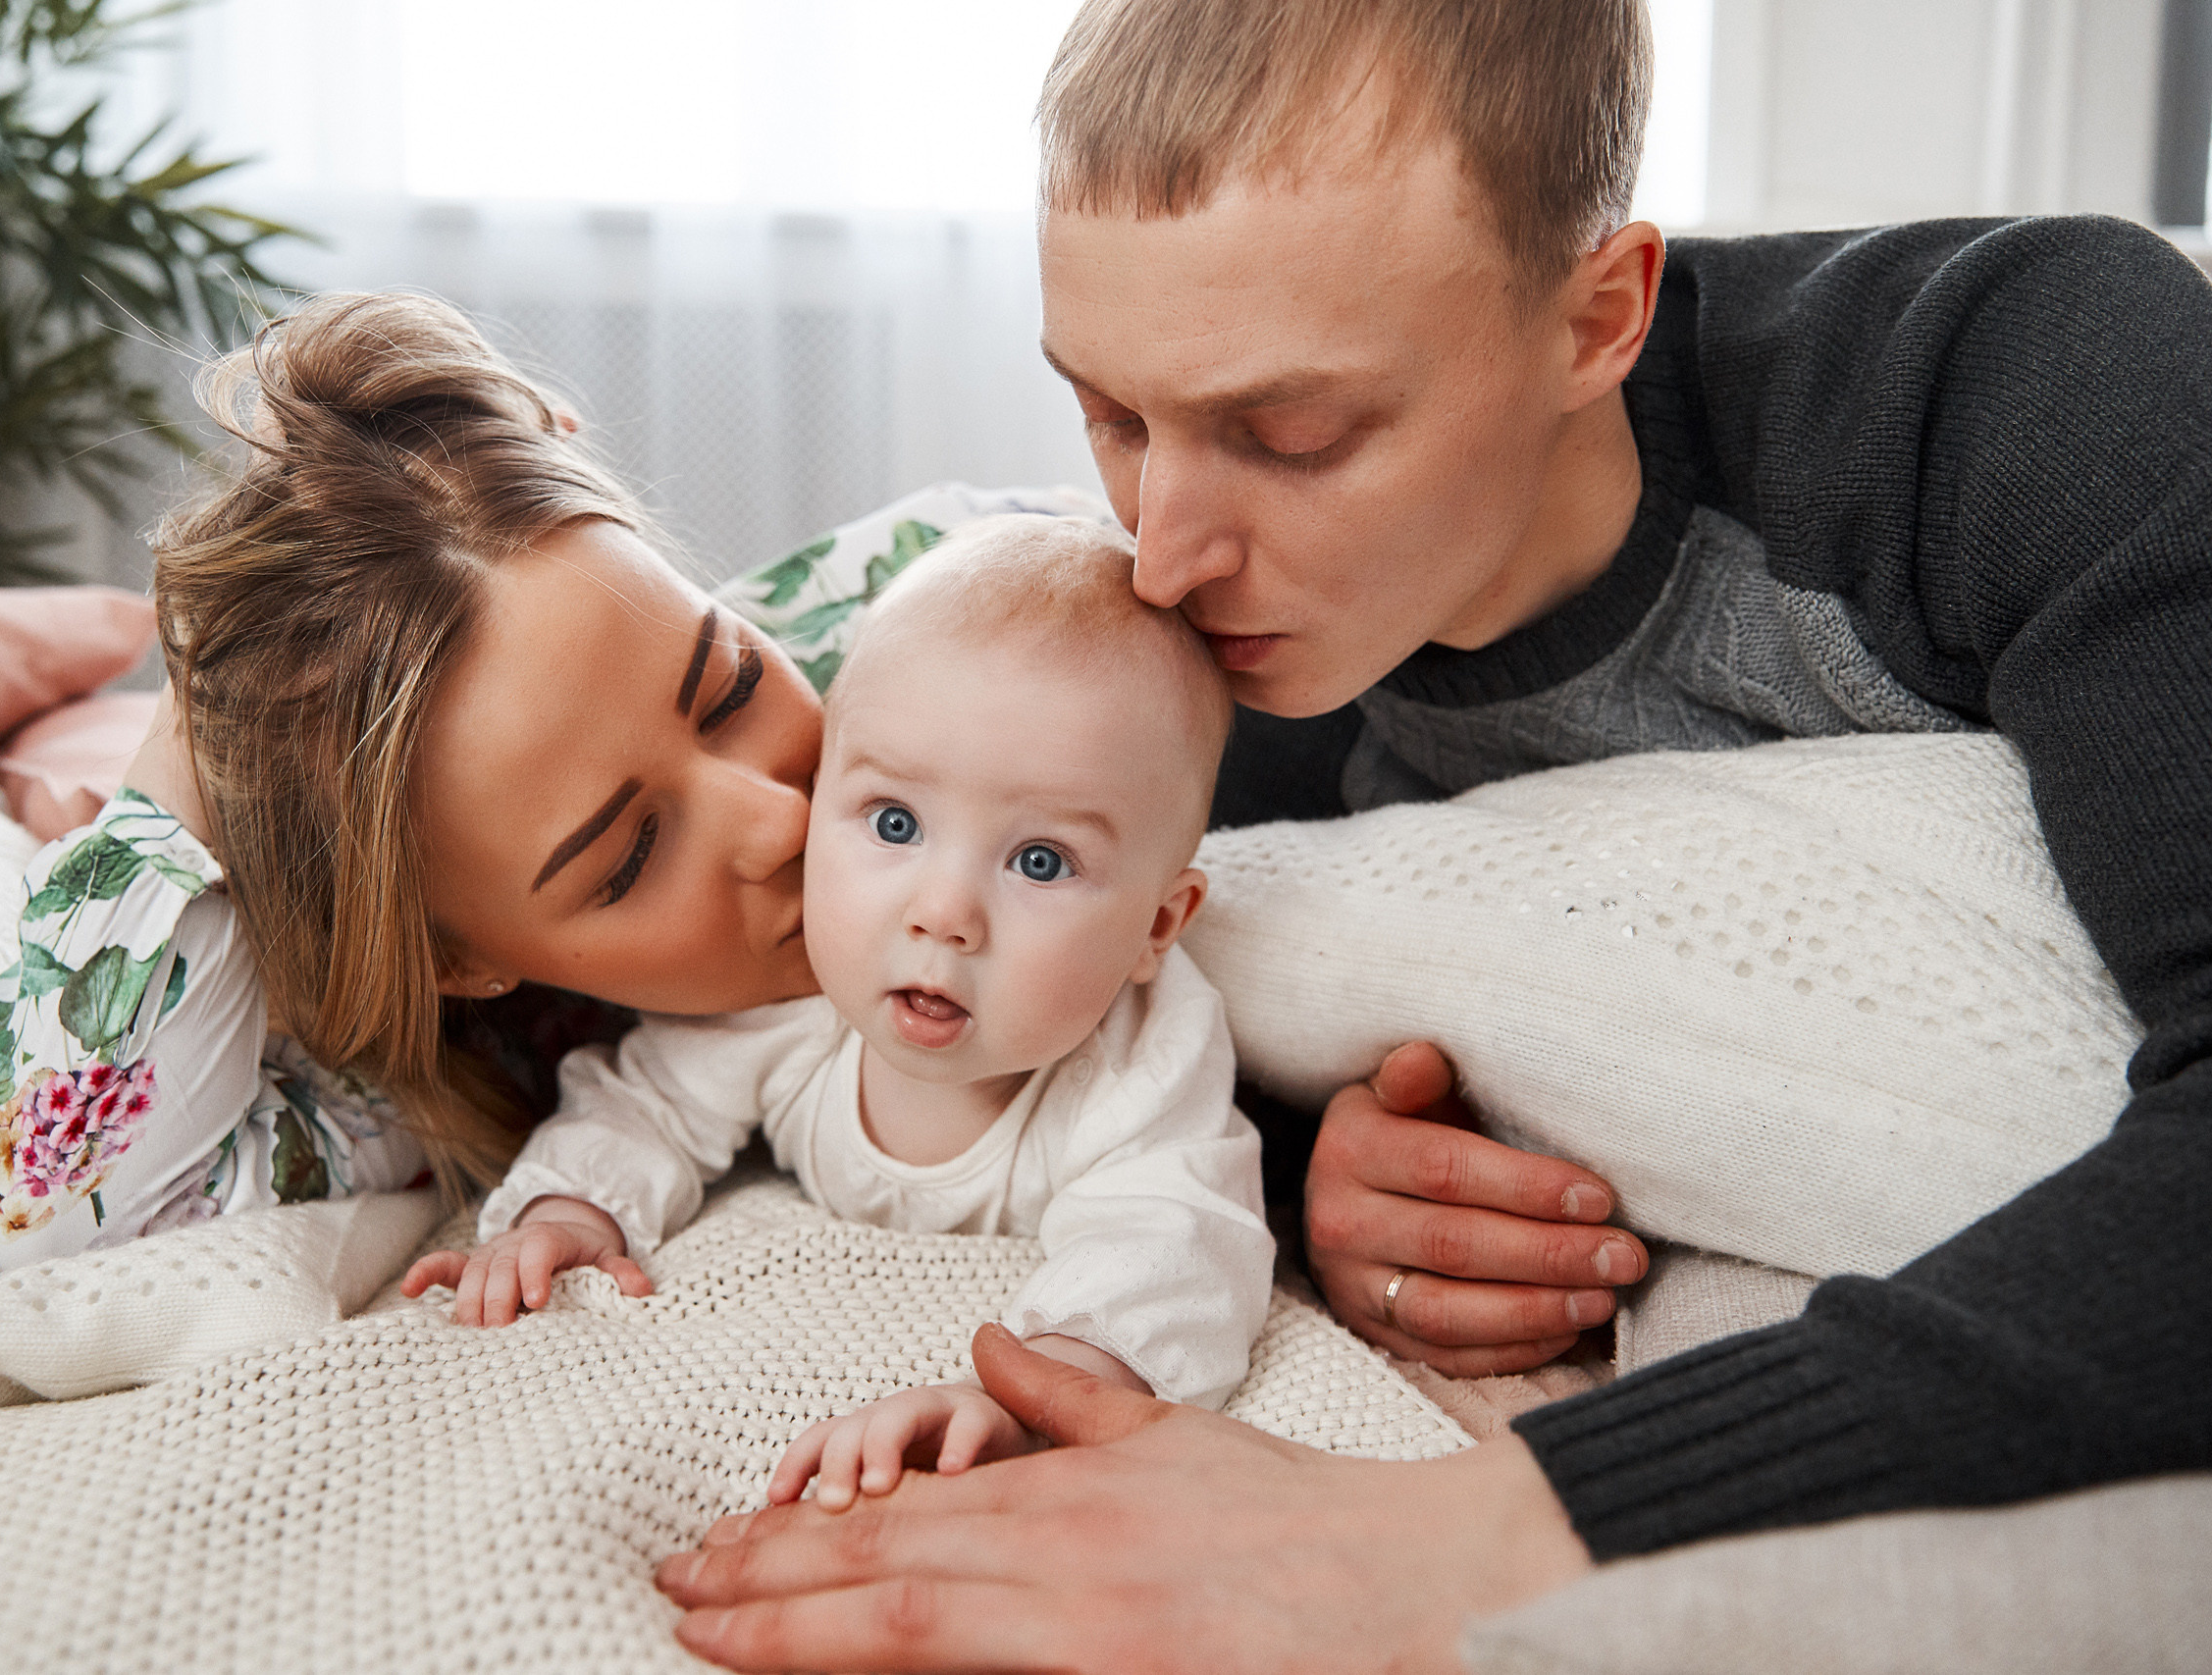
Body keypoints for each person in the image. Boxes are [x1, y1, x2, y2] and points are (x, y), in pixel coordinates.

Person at [652, 0, 2212, 1666]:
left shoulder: (2022, 385)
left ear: (1597, 316)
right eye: (1111, 415)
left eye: (1292, 433)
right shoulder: (1199, 684)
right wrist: (1323, 1176)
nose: (1163, 553)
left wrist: (1479, 1531)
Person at [400, 515, 1276, 1514]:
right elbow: (646, 1103)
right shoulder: (801, 990)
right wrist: (569, 1212)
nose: (941, 915)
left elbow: (1180, 1236)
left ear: (1157, 926)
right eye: (894, 824)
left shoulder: (1143, 1054)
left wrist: (1052, 1389)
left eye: (1040, 861)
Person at [0, 288, 836, 1269]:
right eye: (631, 858)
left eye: (735, 686)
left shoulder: (926, 639)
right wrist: (197, 719)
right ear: (457, 959)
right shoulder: (483, 1060)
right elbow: (61, 1221)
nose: (784, 820)